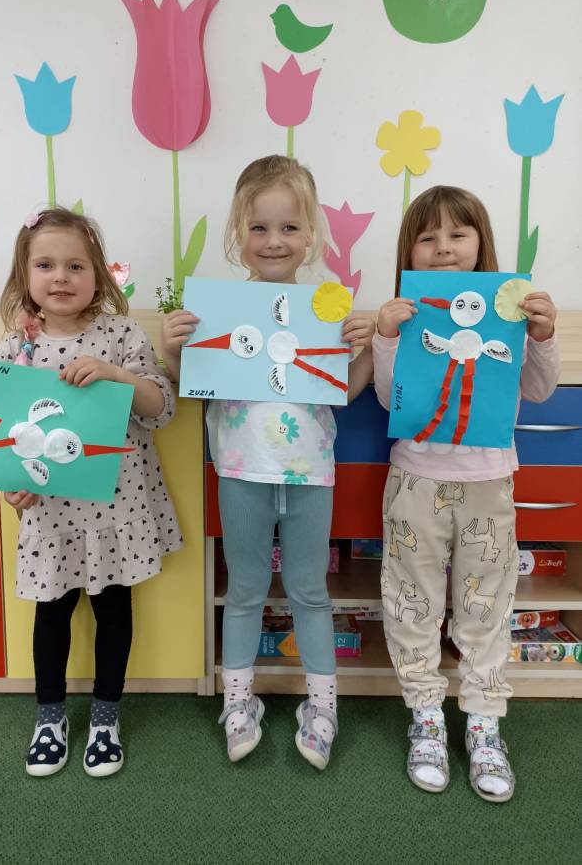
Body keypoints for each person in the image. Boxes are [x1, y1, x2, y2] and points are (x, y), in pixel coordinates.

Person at [161, 155, 374, 769]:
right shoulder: (220, 311)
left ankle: (323, 706)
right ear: (239, 234)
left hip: (309, 472)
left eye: (289, 227)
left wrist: (363, 348)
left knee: (310, 590)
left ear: (311, 235)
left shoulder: (327, 310)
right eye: (259, 227)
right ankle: (237, 702)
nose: (274, 240)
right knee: (246, 589)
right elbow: (193, 384)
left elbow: (346, 389)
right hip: (240, 469)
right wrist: (174, 350)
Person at [372, 185, 559, 802]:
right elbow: (389, 398)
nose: (444, 247)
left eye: (458, 234)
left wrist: (542, 334)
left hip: (488, 483)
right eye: (427, 237)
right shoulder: (404, 313)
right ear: (410, 250)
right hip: (416, 479)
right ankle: (426, 717)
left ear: (481, 244)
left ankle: (483, 722)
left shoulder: (511, 311)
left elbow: (539, 391)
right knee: (412, 599)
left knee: (486, 605)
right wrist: (386, 336)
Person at [0, 207, 182, 778]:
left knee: (113, 612)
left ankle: (105, 717)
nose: (60, 276)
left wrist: (117, 375)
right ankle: (49, 717)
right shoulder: (15, 347)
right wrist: (11, 486)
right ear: (25, 275)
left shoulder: (120, 335)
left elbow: (161, 410)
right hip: (50, 513)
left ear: (98, 275)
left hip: (114, 510)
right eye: (45, 265)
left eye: (75, 265)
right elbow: (2, 437)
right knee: (50, 614)